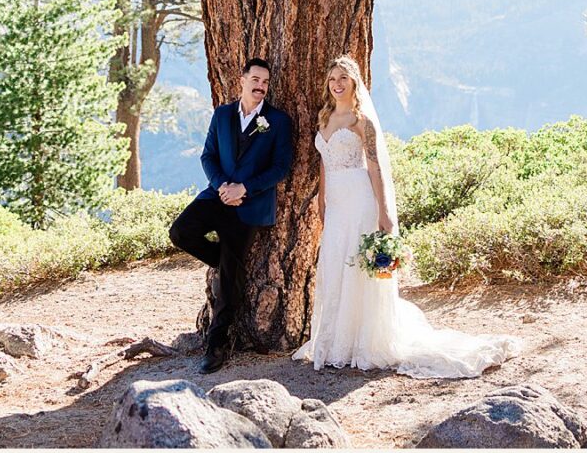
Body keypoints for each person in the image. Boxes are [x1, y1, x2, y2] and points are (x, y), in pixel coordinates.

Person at [293, 54, 521, 377]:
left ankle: (359, 342)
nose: (337, 84)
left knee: (356, 268)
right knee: (333, 264)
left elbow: (374, 168)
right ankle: (332, 342)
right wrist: (321, 200)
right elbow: (324, 161)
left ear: (354, 82)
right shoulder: (325, 117)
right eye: (332, 78)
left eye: (343, 78)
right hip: (335, 203)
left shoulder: (362, 122)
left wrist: (384, 213)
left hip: (360, 202)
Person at [170, 56, 295, 374]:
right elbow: (208, 155)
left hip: (250, 207)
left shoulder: (277, 121)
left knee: (228, 283)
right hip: (217, 195)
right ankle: (225, 262)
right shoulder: (222, 115)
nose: (261, 86)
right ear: (242, 80)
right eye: (256, 79)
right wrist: (222, 185)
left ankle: (217, 347)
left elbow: (280, 167)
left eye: (266, 82)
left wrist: (245, 189)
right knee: (180, 232)